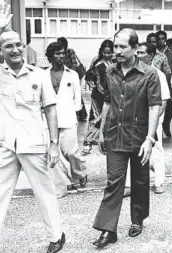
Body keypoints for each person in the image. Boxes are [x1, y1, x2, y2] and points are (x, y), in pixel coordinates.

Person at [0, 3, 65, 253]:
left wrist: (55, 145)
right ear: (0, 52)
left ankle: (56, 236)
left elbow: (50, 110)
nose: (15, 49)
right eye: (8, 46)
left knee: (44, 194)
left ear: (24, 48)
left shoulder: (39, 75)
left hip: (34, 144)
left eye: (18, 45)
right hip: (6, 144)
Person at [92, 28, 161, 249]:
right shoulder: (110, 71)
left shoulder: (149, 74)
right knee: (113, 182)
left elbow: (154, 106)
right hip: (114, 135)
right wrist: (101, 131)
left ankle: (137, 219)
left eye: (123, 47)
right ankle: (107, 229)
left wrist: (150, 139)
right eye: (115, 46)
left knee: (140, 181)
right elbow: (108, 102)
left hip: (140, 136)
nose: (117, 51)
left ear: (134, 48)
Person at [44, 42, 88, 187]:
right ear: (50, 56)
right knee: (51, 152)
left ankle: (80, 173)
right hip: (48, 120)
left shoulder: (72, 74)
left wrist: (75, 114)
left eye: (63, 53)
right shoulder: (42, 75)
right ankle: (63, 181)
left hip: (68, 118)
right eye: (58, 53)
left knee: (71, 152)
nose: (61, 56)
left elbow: (77, 97)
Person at [137, 42, 170, 194]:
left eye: (142, 53)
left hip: (153, 120)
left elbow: (163, 101)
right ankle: (134, 184)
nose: (138, 56)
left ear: (150, 56)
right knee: (135, 151)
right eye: (137, 53)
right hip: (136, 120)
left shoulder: (159, 75)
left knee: (156, 150)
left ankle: (158, 183)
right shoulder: (133, 73)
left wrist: (154, 121)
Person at [83, 39, 114, 154]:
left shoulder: (116, 62)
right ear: (101, 51)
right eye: (105, 52)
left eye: (109, 52)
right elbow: (89, 77)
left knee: (109, 118)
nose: (107, 55)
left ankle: (105, 141)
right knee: (95, 118)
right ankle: (88, 142)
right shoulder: (96, 62)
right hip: (98, 95)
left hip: (112, 95)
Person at [57, 37, 88, 121]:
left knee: (75, 94)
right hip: (64, 75)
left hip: (72, 75)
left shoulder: (70, 51)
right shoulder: (60, 53)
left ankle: (81, 114)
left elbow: (74, 64)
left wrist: (70, 75)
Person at [156, 31, 172, 139]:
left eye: (163, 38)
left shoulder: (169, 51)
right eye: (159, 39)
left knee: (170, 106)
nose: (161, 41)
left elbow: (170, 68)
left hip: (167, 82)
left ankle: (166, 125)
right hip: (155, 82)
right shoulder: (154, 51)